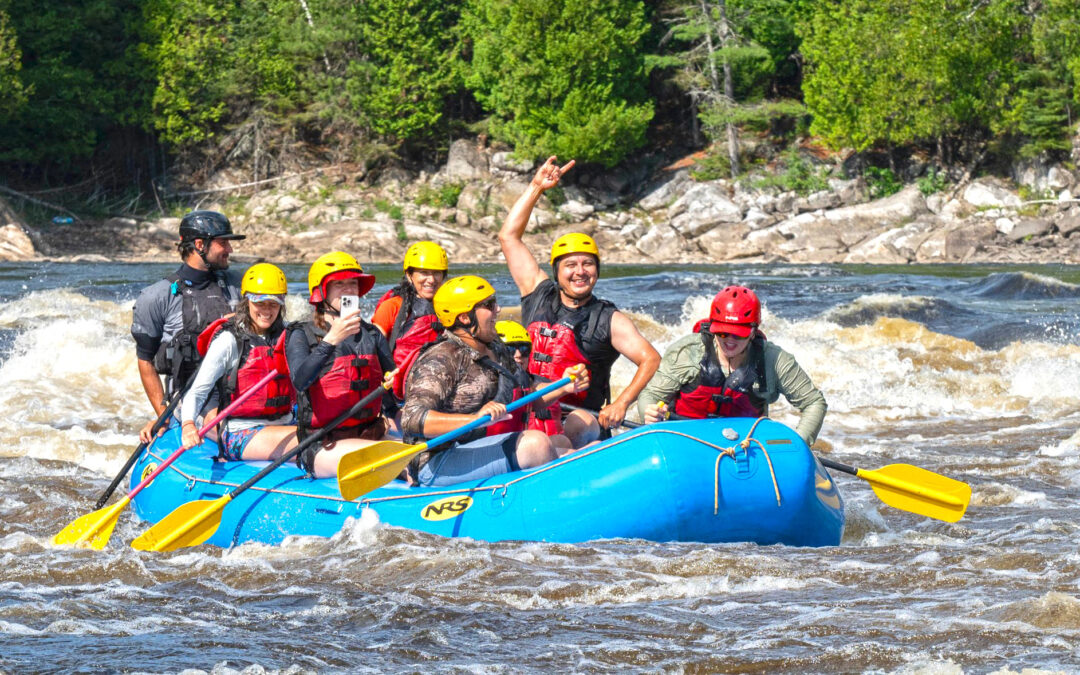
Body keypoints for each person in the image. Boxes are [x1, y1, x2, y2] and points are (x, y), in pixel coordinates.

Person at [498, 157, 660, 445]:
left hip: (579, 420)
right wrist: (536, 187)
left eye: (588, 264)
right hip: (530, 411)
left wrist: (621, 403)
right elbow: (508, 236)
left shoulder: (608, 319)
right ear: (557, 271)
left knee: (580, 423)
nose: (580, 272)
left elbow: (650, 358)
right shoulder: (537, 292)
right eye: (570, 265)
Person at [399, 275, 589, 487]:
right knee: (535, 444)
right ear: (464, 317)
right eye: (489, 305)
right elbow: (412, 418)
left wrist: (563, 385)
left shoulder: (496, 348)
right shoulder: (442, 358)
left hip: (480, 447)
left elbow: (527, 395)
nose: (497, 309)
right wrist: (474, 419)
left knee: (570, 446)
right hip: (438, 461)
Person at [637, 286, 827, 446]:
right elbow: (651, 395)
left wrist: (799, 443)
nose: (730, 340)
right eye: (722, 333)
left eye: (739, 334)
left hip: (744, 446)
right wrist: (650, 413)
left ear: (753, 331)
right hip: (684, 439)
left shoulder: (774, 360)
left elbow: (814, 402)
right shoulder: (687, 352)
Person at [131, 210, 245, 442]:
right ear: (199, 244)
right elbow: (145, 360)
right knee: (231, 430)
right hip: (191, 395)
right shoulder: (157, 296)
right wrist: (163, 417)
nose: (230, 250)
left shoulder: (241, 285)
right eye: (223, 242)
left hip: (239, 388)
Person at [285, 252, 398, 477]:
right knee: (392, 458)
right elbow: (300, 381)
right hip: (322, 444)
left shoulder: (371, 334)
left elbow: (390, 395)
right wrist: (331, 340)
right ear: (321, 293)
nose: (348, 290)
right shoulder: (301, 333)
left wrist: (395, 383)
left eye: (353, 283)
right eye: (339, 284)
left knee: (420, 452)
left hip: (369, 434)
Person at [179, 263, 298, 462]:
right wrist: (188, 425)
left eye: (274, 303)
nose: (267, 310)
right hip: (241, 432)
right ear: (247, 302)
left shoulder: (290, 336)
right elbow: (198, 391)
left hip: (284, 424)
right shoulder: (229, 340)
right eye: (260, 303)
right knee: (311, 442)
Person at [370, 241, 448, 397]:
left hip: (441, 384)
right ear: (409, 275)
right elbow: (372, 352)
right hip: (399, 389)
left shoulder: (451, 306)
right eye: (424, 273)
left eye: (436, 273)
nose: (431, 280)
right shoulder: (392, 306)